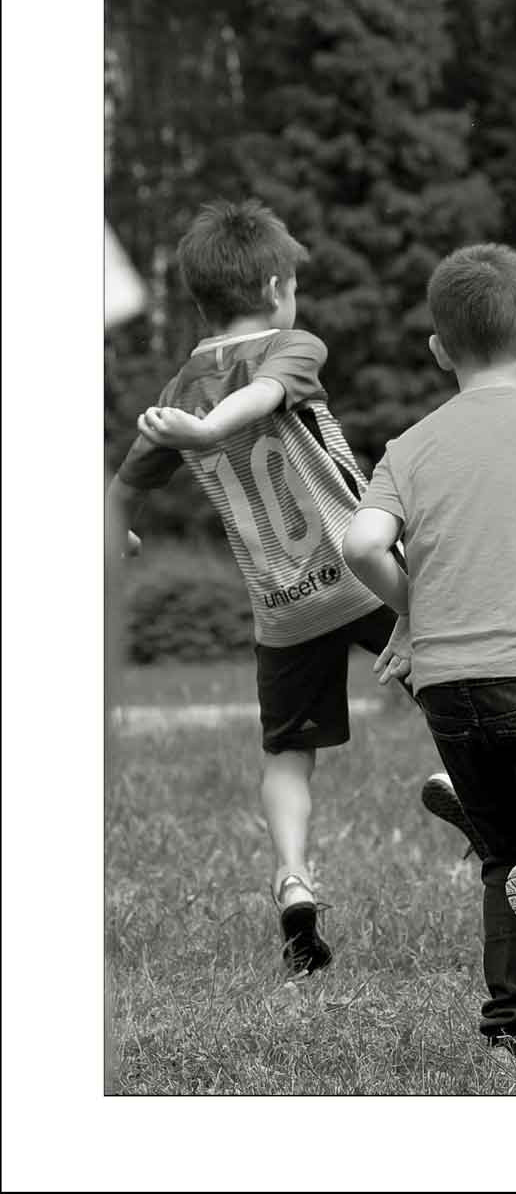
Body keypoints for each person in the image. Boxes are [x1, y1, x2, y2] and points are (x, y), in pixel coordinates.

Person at [107, 199, 402, 977]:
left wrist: (120, 528)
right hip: (365, 569)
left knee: (287, 752)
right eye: (294, 283)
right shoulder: (293, 344)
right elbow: (268, 393)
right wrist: (209, 431)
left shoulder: (181, 386)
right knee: (456, 667)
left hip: (282, 603)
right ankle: (479, 794)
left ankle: (295, 874)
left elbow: (126, 483)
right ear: (276, 286)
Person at [342, 243, 516, 1063]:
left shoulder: (412, 443)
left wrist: (416, 604)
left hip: (448, 688)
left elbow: (362, 543)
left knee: (504, 849)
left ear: (438, 351)